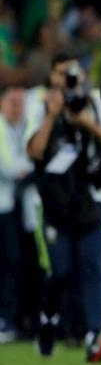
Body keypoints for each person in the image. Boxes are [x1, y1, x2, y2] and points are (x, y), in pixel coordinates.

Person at [24, 55, 101, 360]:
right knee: (60, 271)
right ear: (52, 75)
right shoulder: (37, 104)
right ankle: (48, 322)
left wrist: (84, 122)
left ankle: (93, 334)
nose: (69, 79)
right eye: (63, 73)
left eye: (73, 72)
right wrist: (53, 115)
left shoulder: (91, 102)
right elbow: (34, 151)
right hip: (53, 204)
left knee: (93, 266)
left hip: (90, 201)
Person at [0, 86, 30, 344]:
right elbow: (10, 168)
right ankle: (6, 321)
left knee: (13, 264)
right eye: (13, 102)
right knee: (8, 264)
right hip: (3, 206)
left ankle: (11, 320)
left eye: (21, 102)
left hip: (11, 206)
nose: (18, 107)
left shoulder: (18, 128)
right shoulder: (1, 128)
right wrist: (34, 163)